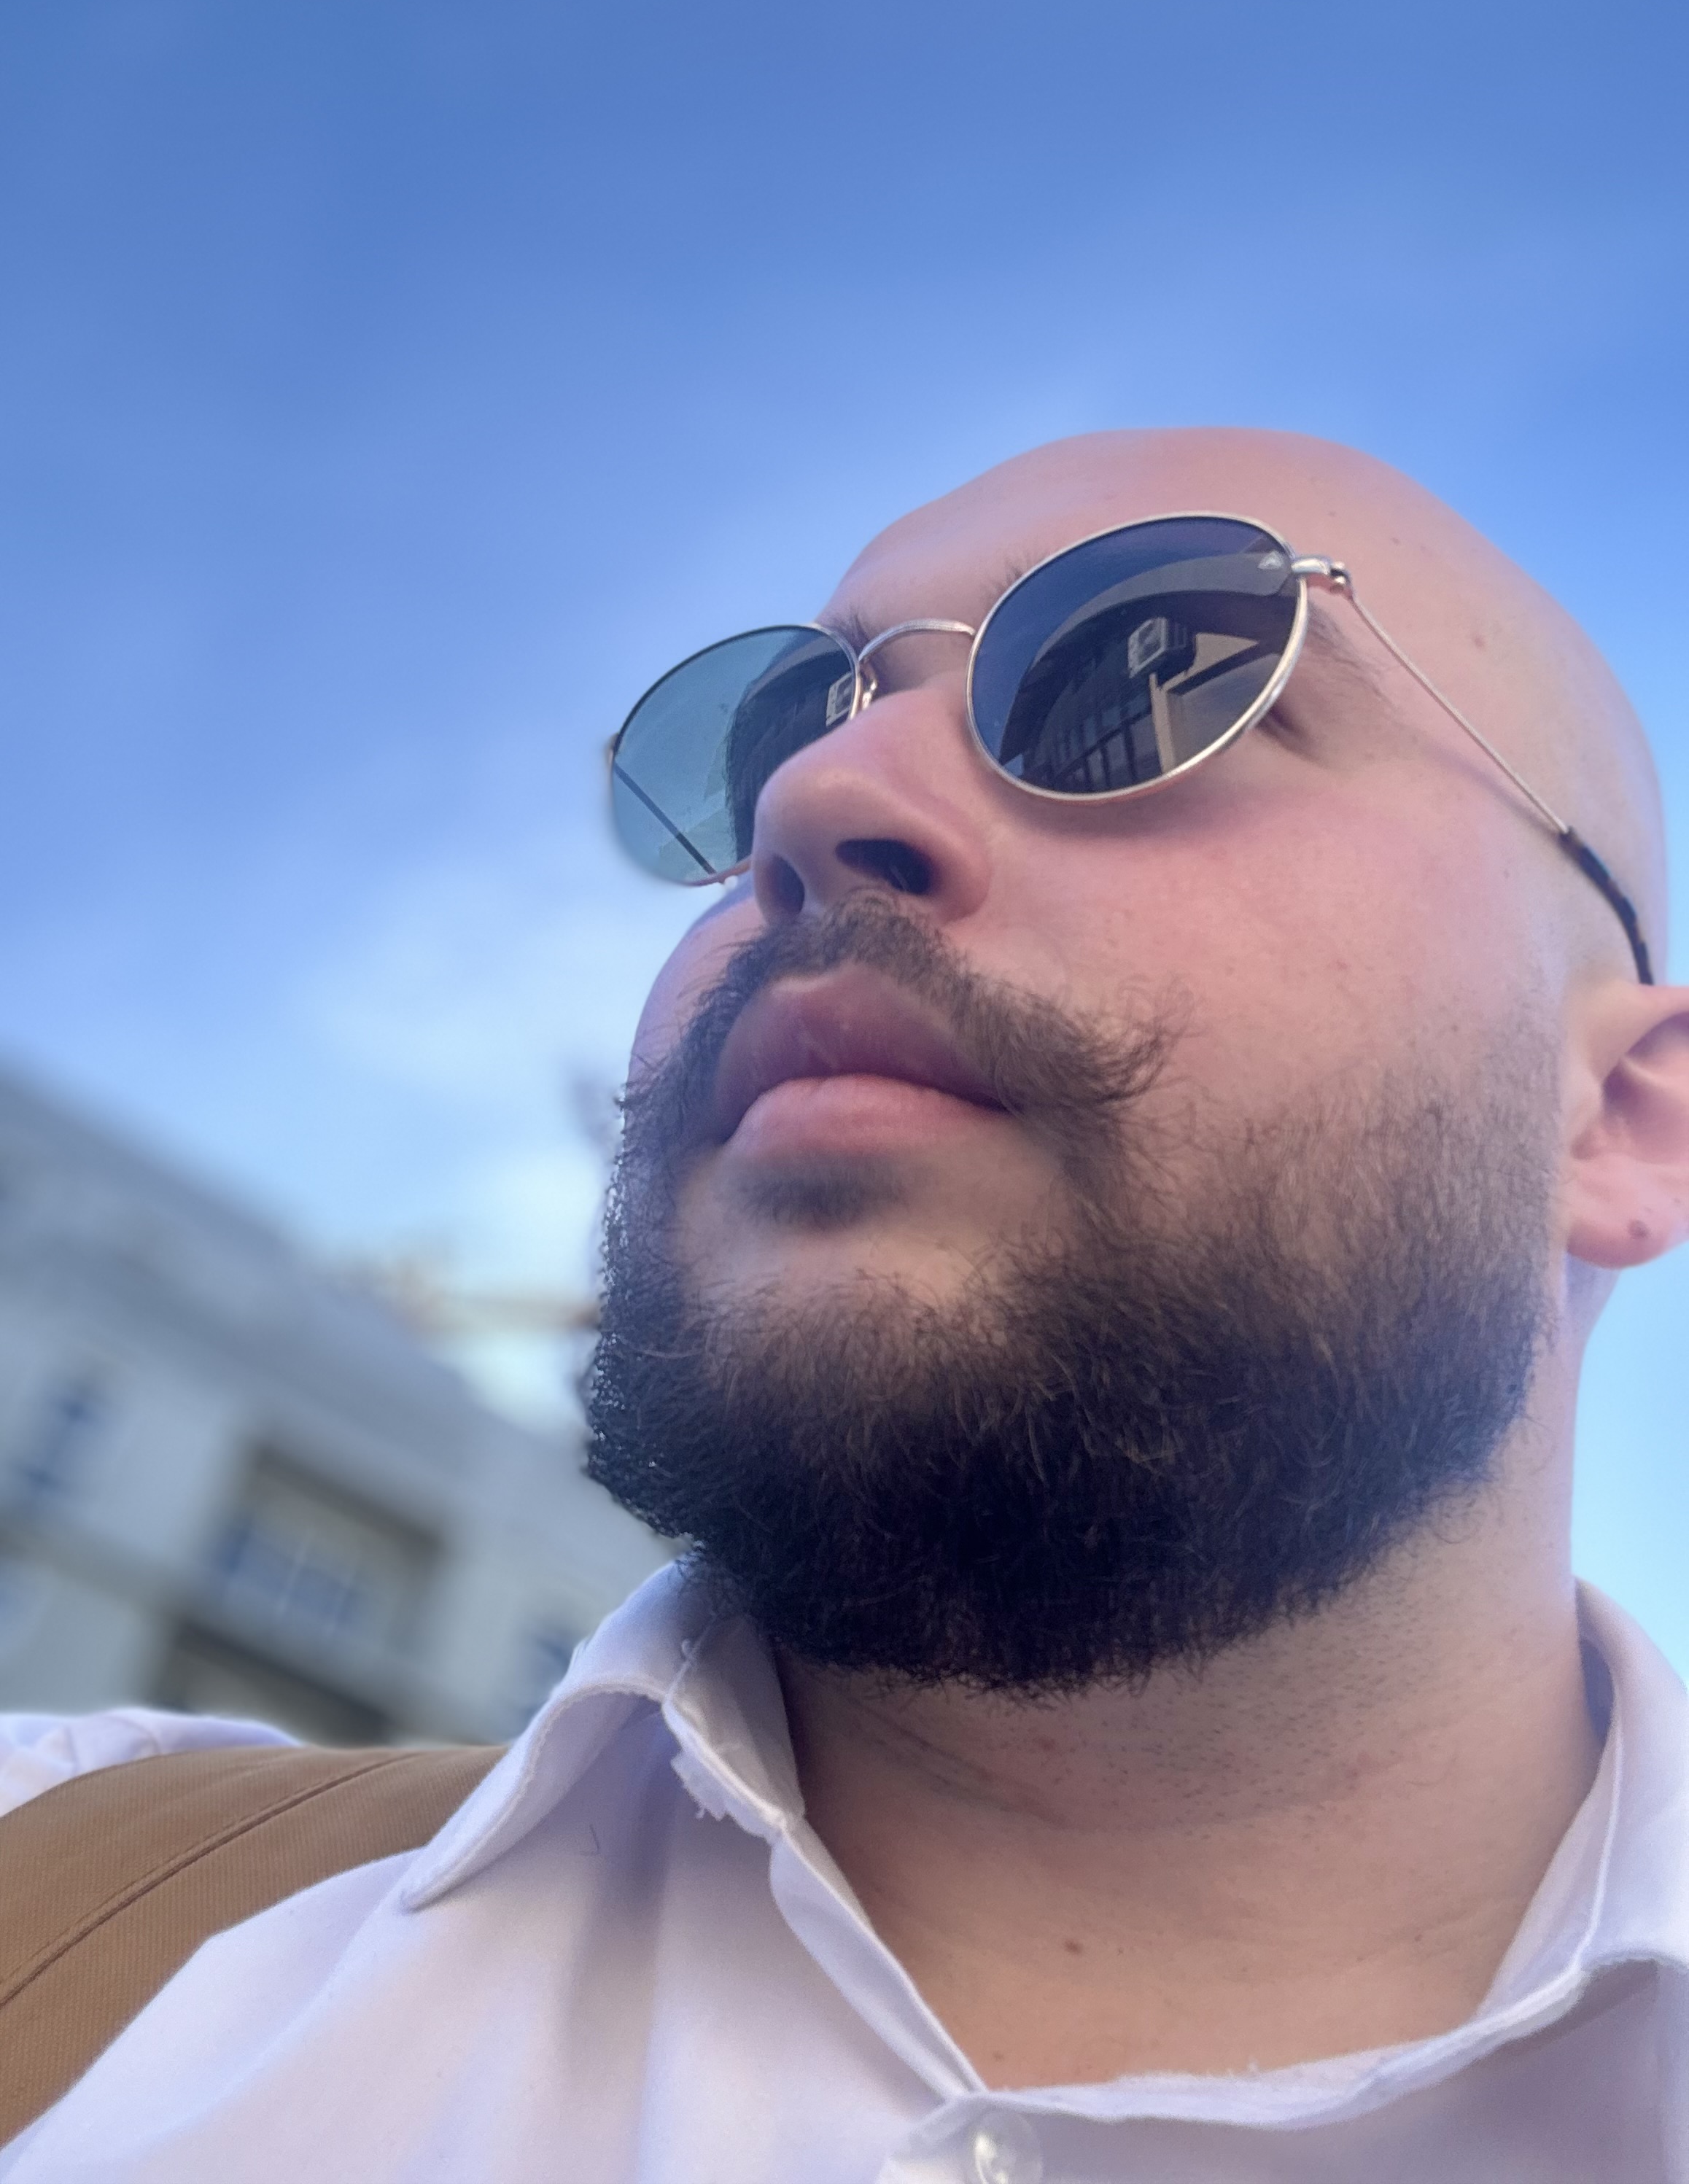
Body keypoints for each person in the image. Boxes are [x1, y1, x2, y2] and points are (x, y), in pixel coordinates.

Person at [4, 428, 1688, 2182]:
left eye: (1152, 679)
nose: (814, 801)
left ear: (1620, 1121)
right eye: (788, 731)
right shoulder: (58, 1905)